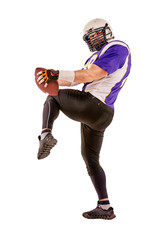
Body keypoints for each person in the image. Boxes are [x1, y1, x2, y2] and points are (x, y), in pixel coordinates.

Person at [36, 18, 131, 220]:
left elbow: (91, 75)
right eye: (90, 36)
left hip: (95, 105)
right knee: (91, 159)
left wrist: (56, 73)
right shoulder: (96, 57)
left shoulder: (118, 47)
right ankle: (105, 207)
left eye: (96, 33)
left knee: (53, 97)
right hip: (99, 115)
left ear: (107, 31)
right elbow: (78, 79)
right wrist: (52, 78)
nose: (93, 38)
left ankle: (45, 135)